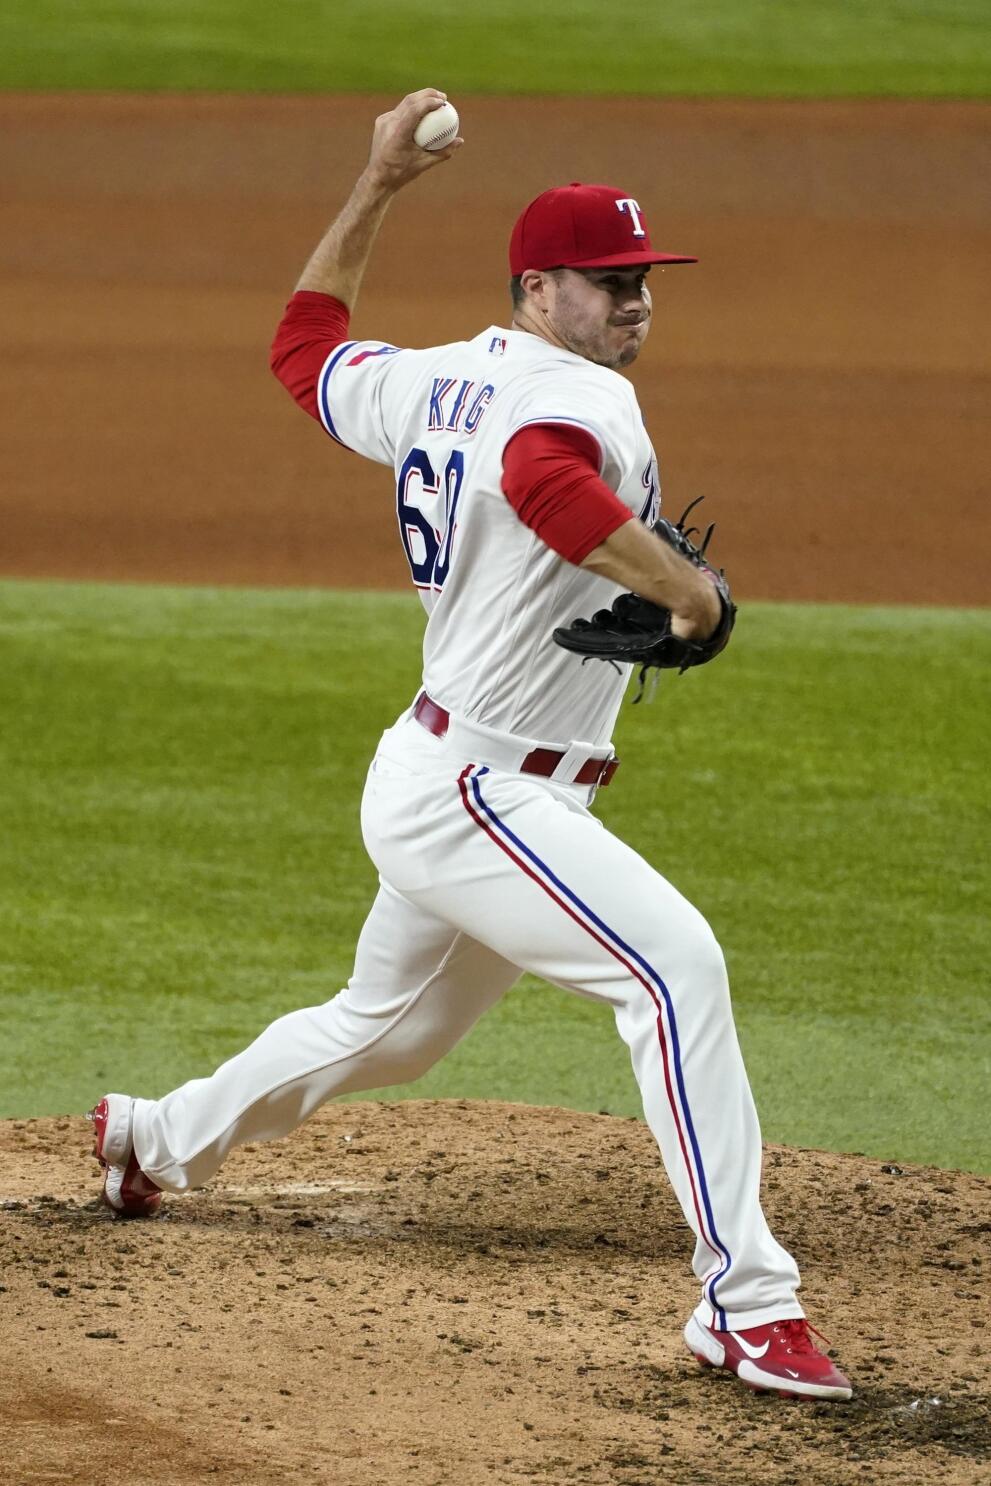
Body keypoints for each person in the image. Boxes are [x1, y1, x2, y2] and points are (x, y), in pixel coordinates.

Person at [89, 89, 852, 1402]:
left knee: (382, 1029)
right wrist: (685, 588)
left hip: (446, 772)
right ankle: (747, 1301)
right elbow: (548, 484)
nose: (634, 303)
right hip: (481, 792)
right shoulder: (579, 402)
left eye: (642, 281)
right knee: (674, 971)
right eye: (607, 282)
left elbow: (303, 344)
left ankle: (153, 1135)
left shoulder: (430, 377)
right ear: (537, 286)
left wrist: (376, 181)